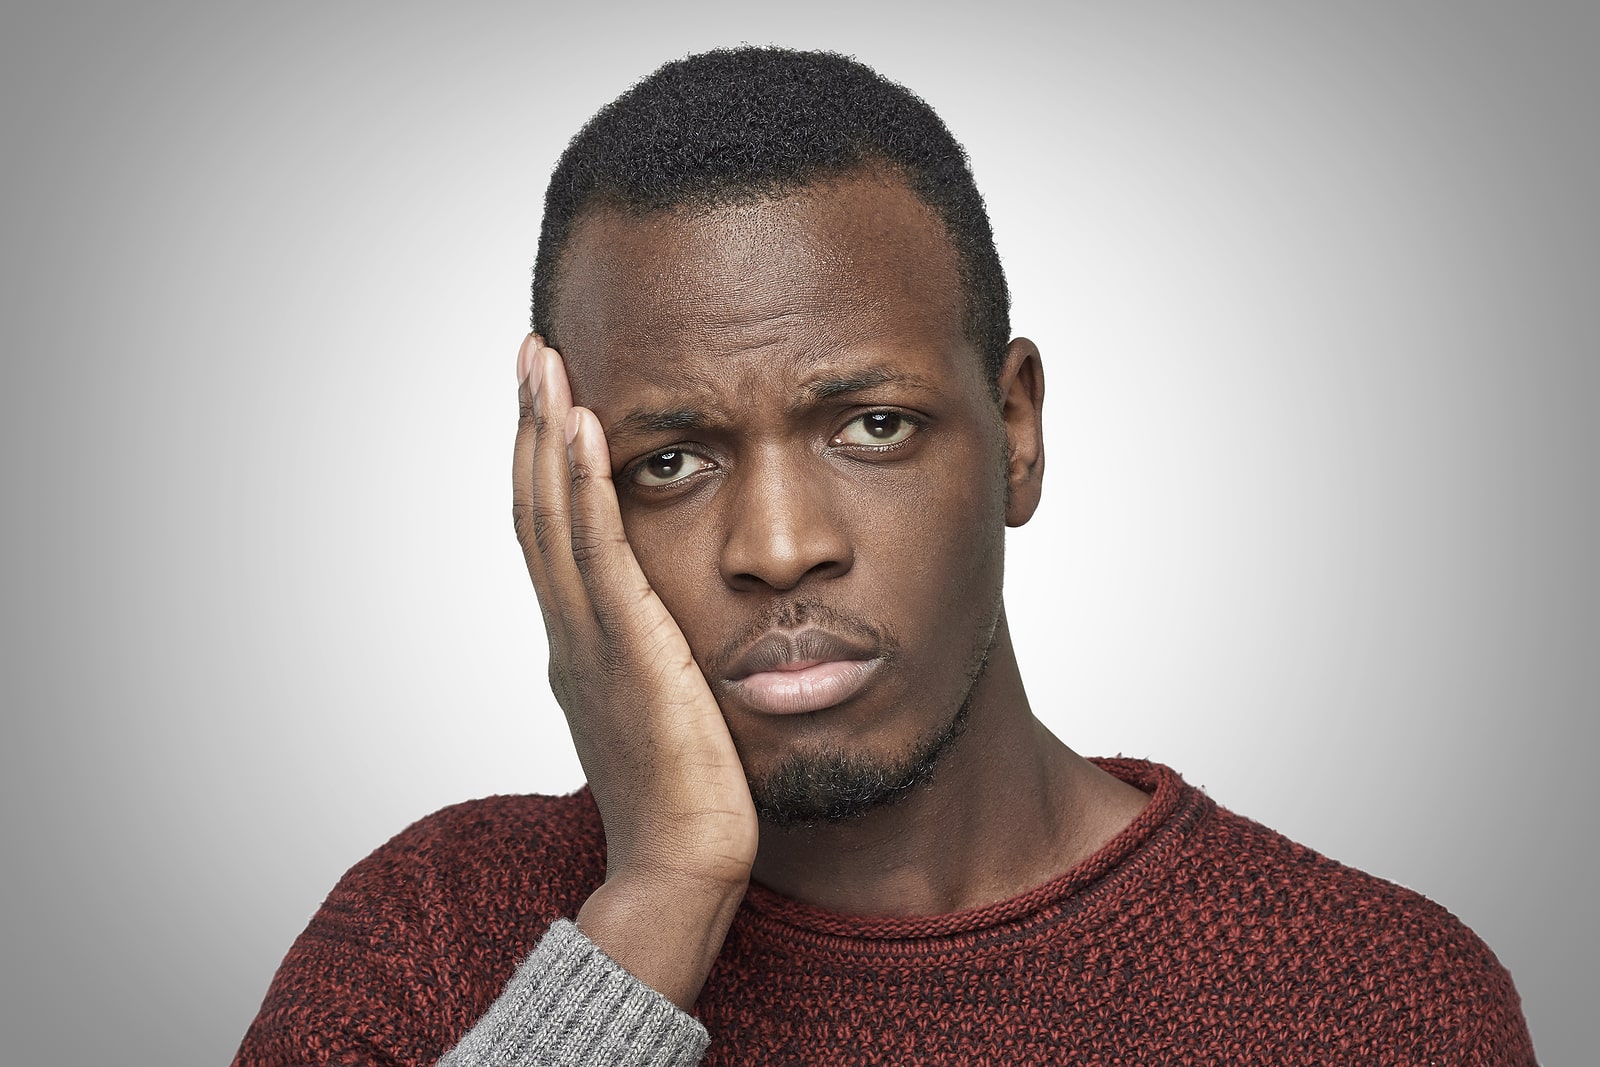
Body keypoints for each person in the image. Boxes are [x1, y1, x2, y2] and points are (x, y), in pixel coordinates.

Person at [232, 47, 1535, 1066]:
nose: (779, 548)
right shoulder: (437, 935)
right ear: (569, 499)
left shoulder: (1380, 1000)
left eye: (872, 426)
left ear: (1015, 433)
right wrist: (659, 903)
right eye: (669, 462)